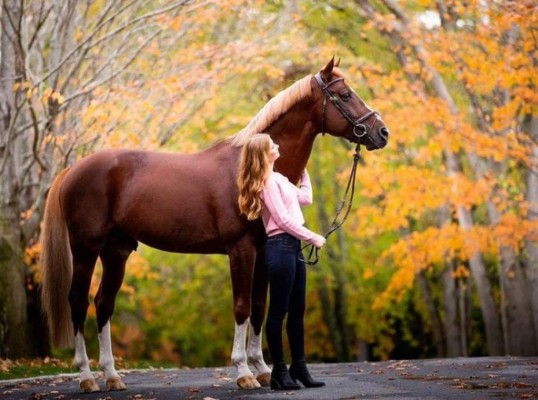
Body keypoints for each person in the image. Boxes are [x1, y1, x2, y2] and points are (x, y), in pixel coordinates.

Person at [237, 133, 326, 390]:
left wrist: (305, 173)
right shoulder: (265, 183)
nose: (277, 145)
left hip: (293, 246)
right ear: (265, 154)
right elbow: (284, 220)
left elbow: (305, 198)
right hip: (280, 246)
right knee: (279, 312)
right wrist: (312, 237)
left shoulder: (279, 179)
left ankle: (299, 367)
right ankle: (279, 371)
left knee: (298, 310)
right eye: (272, 145)